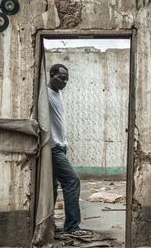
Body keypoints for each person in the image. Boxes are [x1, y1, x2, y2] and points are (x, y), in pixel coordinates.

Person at [48, 63, 91, 237]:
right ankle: (72, 227)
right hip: (53, 148)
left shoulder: (57, 94)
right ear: (51, 75)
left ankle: (48, 225)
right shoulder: (45, 94)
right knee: (72, 181)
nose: (65, 82)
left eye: (67, 79)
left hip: (61, 146)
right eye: (61, 78)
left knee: (52, 186)